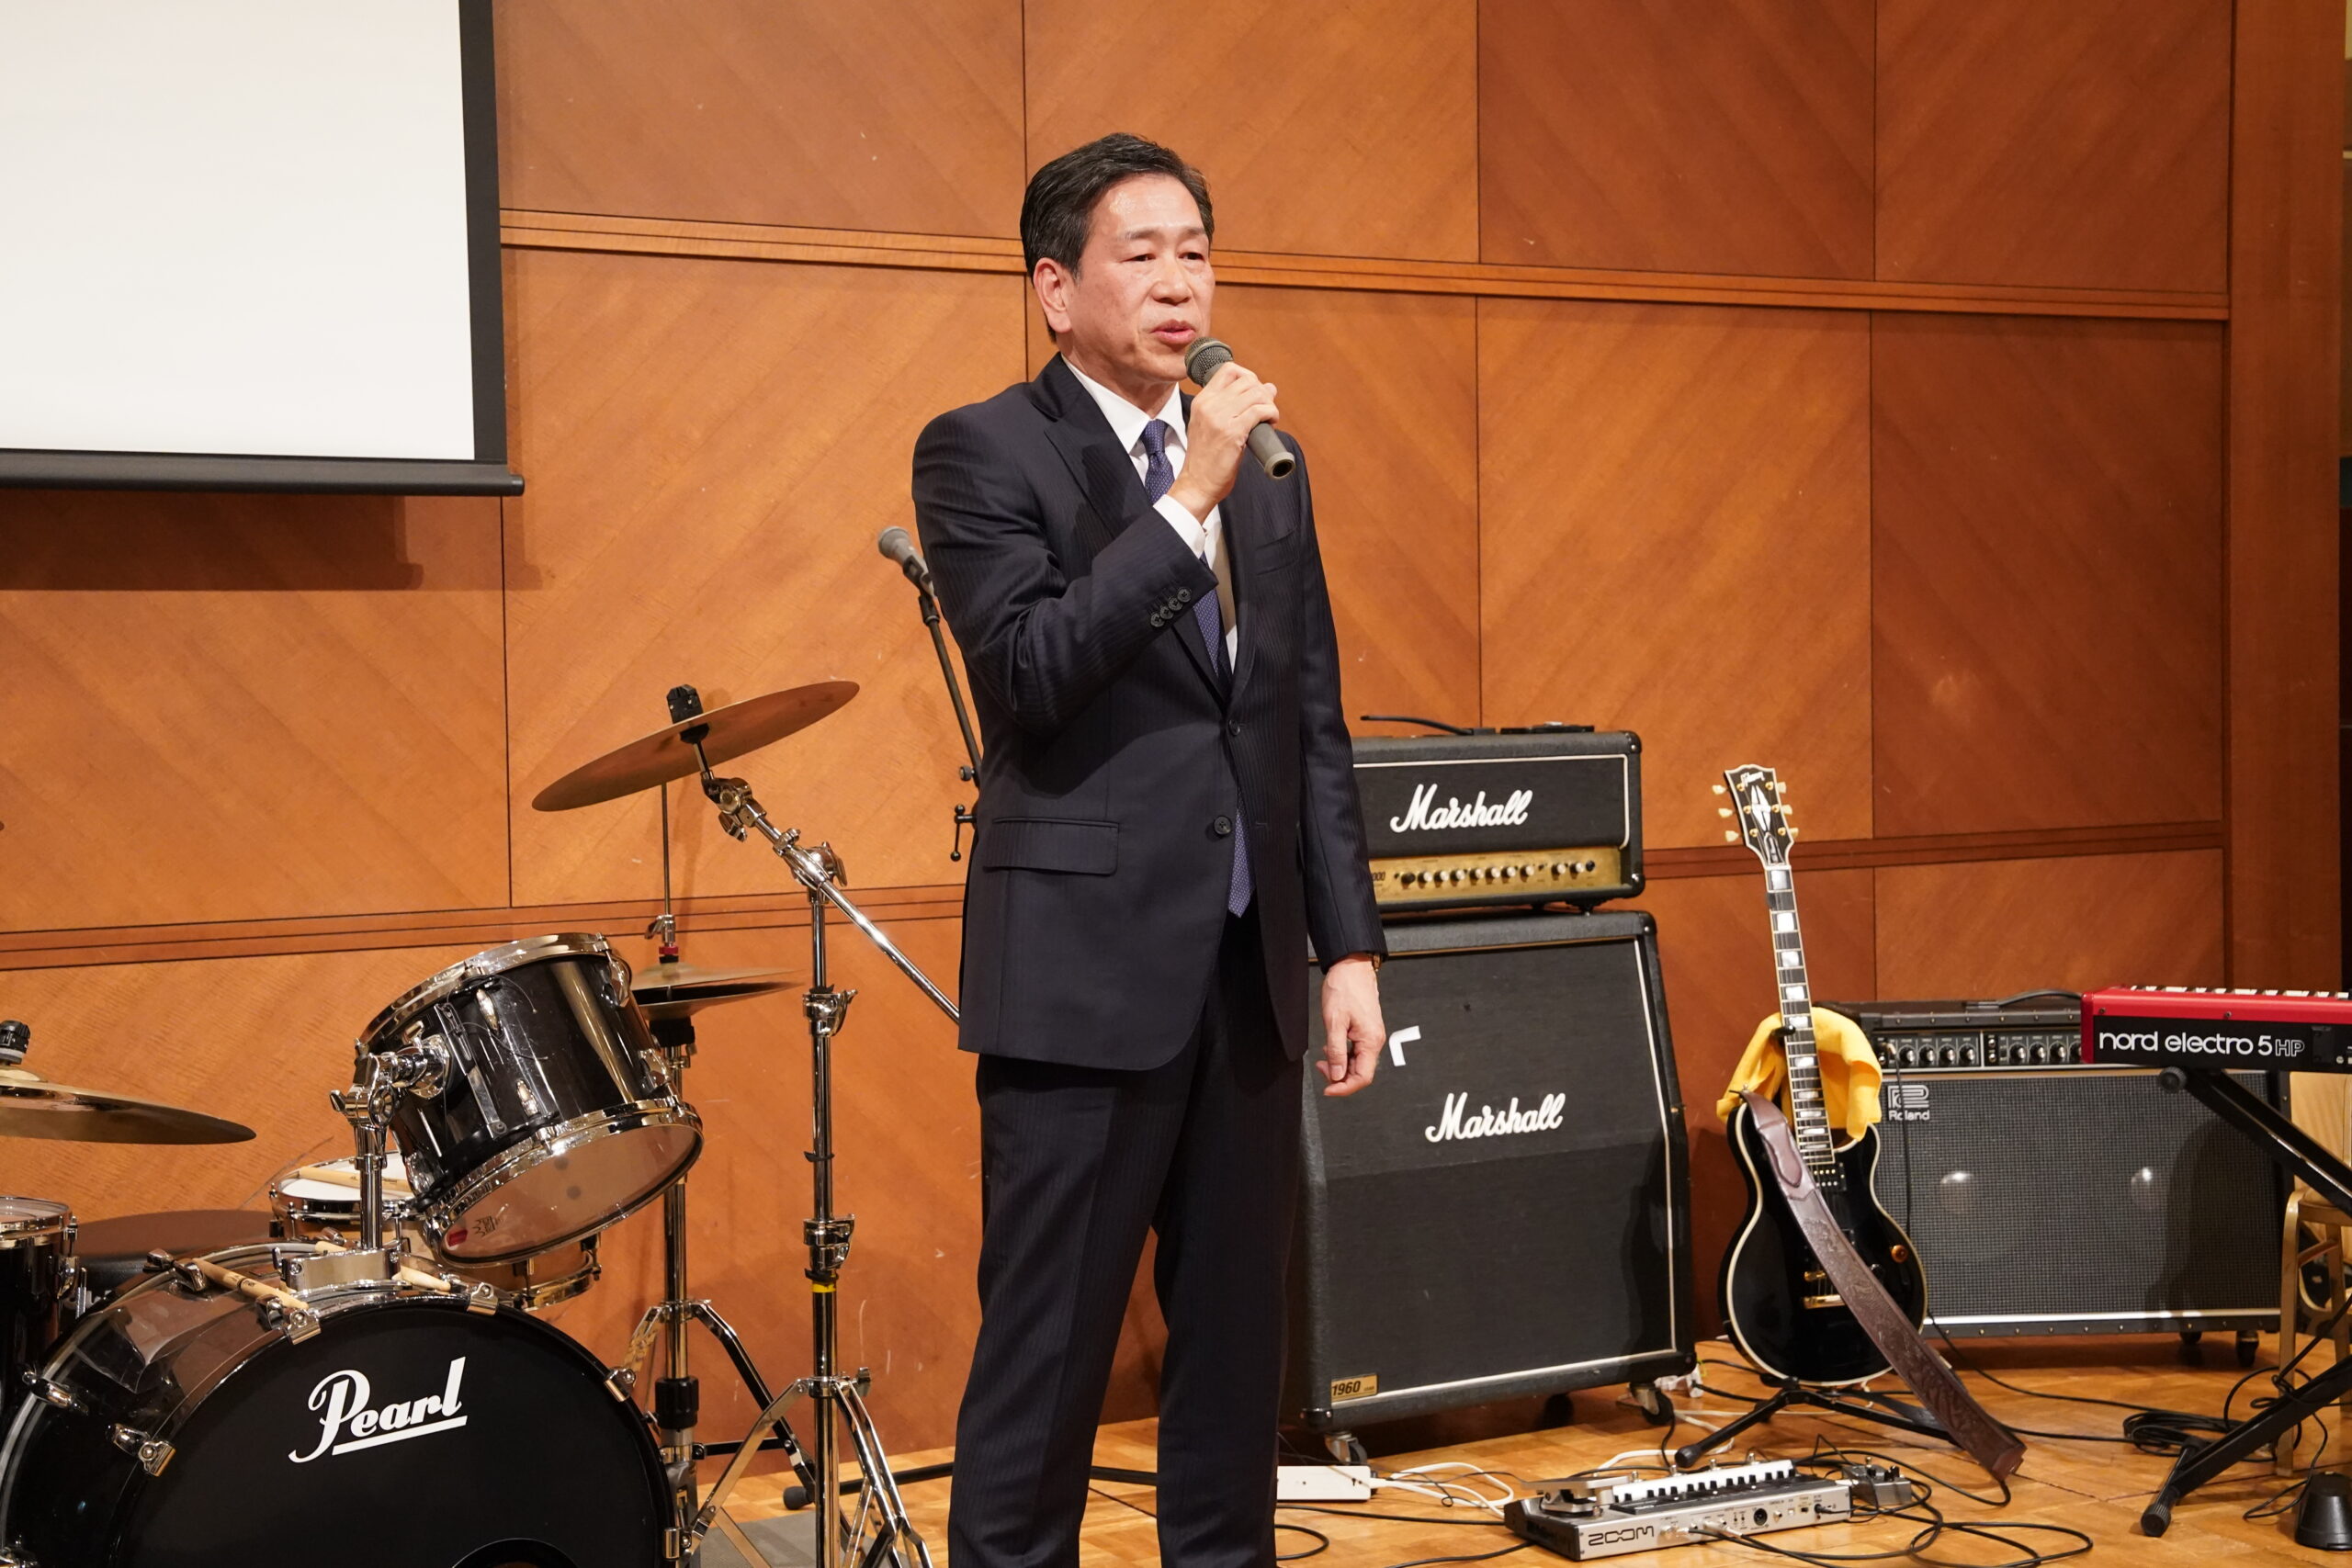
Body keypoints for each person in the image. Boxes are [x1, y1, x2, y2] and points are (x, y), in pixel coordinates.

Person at [912, 131, 1387, 1568]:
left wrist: (1349, 947)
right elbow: (1032, 671)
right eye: (1143, 255)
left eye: (1196, 253)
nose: (1181, 284)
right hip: (1081, 984)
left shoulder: (1273, 471)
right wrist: (1189, 503)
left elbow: (1308, 719)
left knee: (1237, 1363)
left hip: (1250, 980)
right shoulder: (982, 450)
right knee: (1046, 1364)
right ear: (1056, 290)